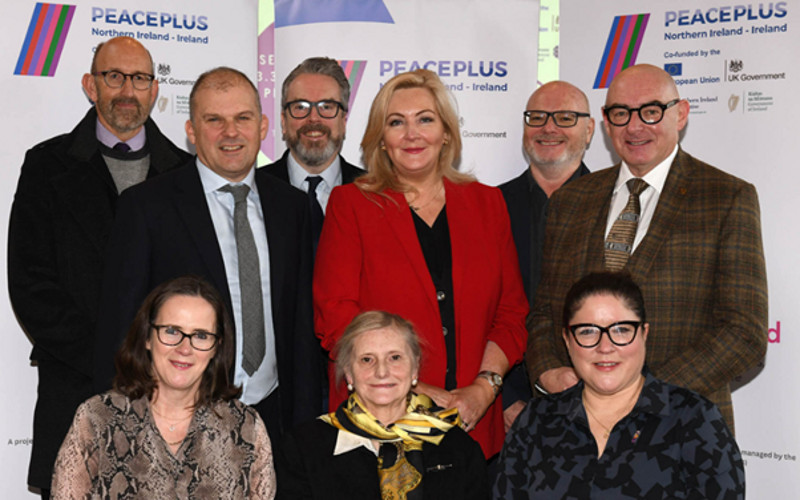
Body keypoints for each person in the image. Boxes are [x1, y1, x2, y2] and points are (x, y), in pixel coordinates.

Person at [526, 64, 767, 432]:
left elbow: (744, 332)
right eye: (621, 113)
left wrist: (645, 395)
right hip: (576, 433)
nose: (634, 126)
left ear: (681, 114)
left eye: (651, 111)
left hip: (683, 433)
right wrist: (548, 372)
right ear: (605, 123)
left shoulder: (727, 197)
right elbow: (545, 311)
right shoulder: (570, 200)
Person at [93, 67, 320, 444]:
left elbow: (302, 330)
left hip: (277, 422)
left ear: (263, 126)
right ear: (192, 131)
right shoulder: (146, 207)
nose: (230, 133)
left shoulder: (293, 208)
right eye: (214, 120)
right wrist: (128, 431)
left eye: (242, 118)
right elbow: (120, 329)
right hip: (175, 426)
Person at [7, 36, 190, 497]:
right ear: (91, 85)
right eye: (114, 77)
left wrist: (163, 364)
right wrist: (112, 359)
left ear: (154, 89)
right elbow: (31, 285)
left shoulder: (187, 174)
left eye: (140, 78)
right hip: (75, 388)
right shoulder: (46, 167)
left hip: (169, 397)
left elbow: (198, 288)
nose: (128, 90)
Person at [314, 69, 528, 458]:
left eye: (425, 119)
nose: (412, 134)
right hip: (381, 419)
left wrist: (484, 387)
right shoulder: (351, 205)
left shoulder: (488, 204)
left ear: (446, 132)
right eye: (396, 122)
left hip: (472, 424)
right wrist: (412, 388)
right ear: (381, 138)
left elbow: (511, 312)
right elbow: (335, 315)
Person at [495, 272, 745, 499]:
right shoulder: (536, 422)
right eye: (588, 331)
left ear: (644, 334)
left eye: (621, 330)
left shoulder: (695, 422)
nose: (605, 346)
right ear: (568, 340)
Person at [52, 275, 276, 498]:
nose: (185, 348)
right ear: (147, 337)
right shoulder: (97, 418)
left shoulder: (246, 428)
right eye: (171, 331)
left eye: (200, 335)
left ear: (216, 347)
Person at [276, 311, 488, 499]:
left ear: (414, 369)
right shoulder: (303, 449)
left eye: (395, 357)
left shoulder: (458, 447)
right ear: (349, 373)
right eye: (367, 360)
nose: (382, 372)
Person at [499, 81, 594, 430]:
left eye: (565, 117)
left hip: (595, 406)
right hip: (505, 410)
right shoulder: (489, 207)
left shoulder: (617, 205)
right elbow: (471, 309)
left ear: (589, 130)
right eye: (536, 117)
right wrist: (504, 400)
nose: (548, 128)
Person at [264, 57, 364, 251]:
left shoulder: (373, 193)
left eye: (327, 107)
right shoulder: (254, 190)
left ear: (344, 121)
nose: (314, 118)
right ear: (283, 122)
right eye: (300, 107)